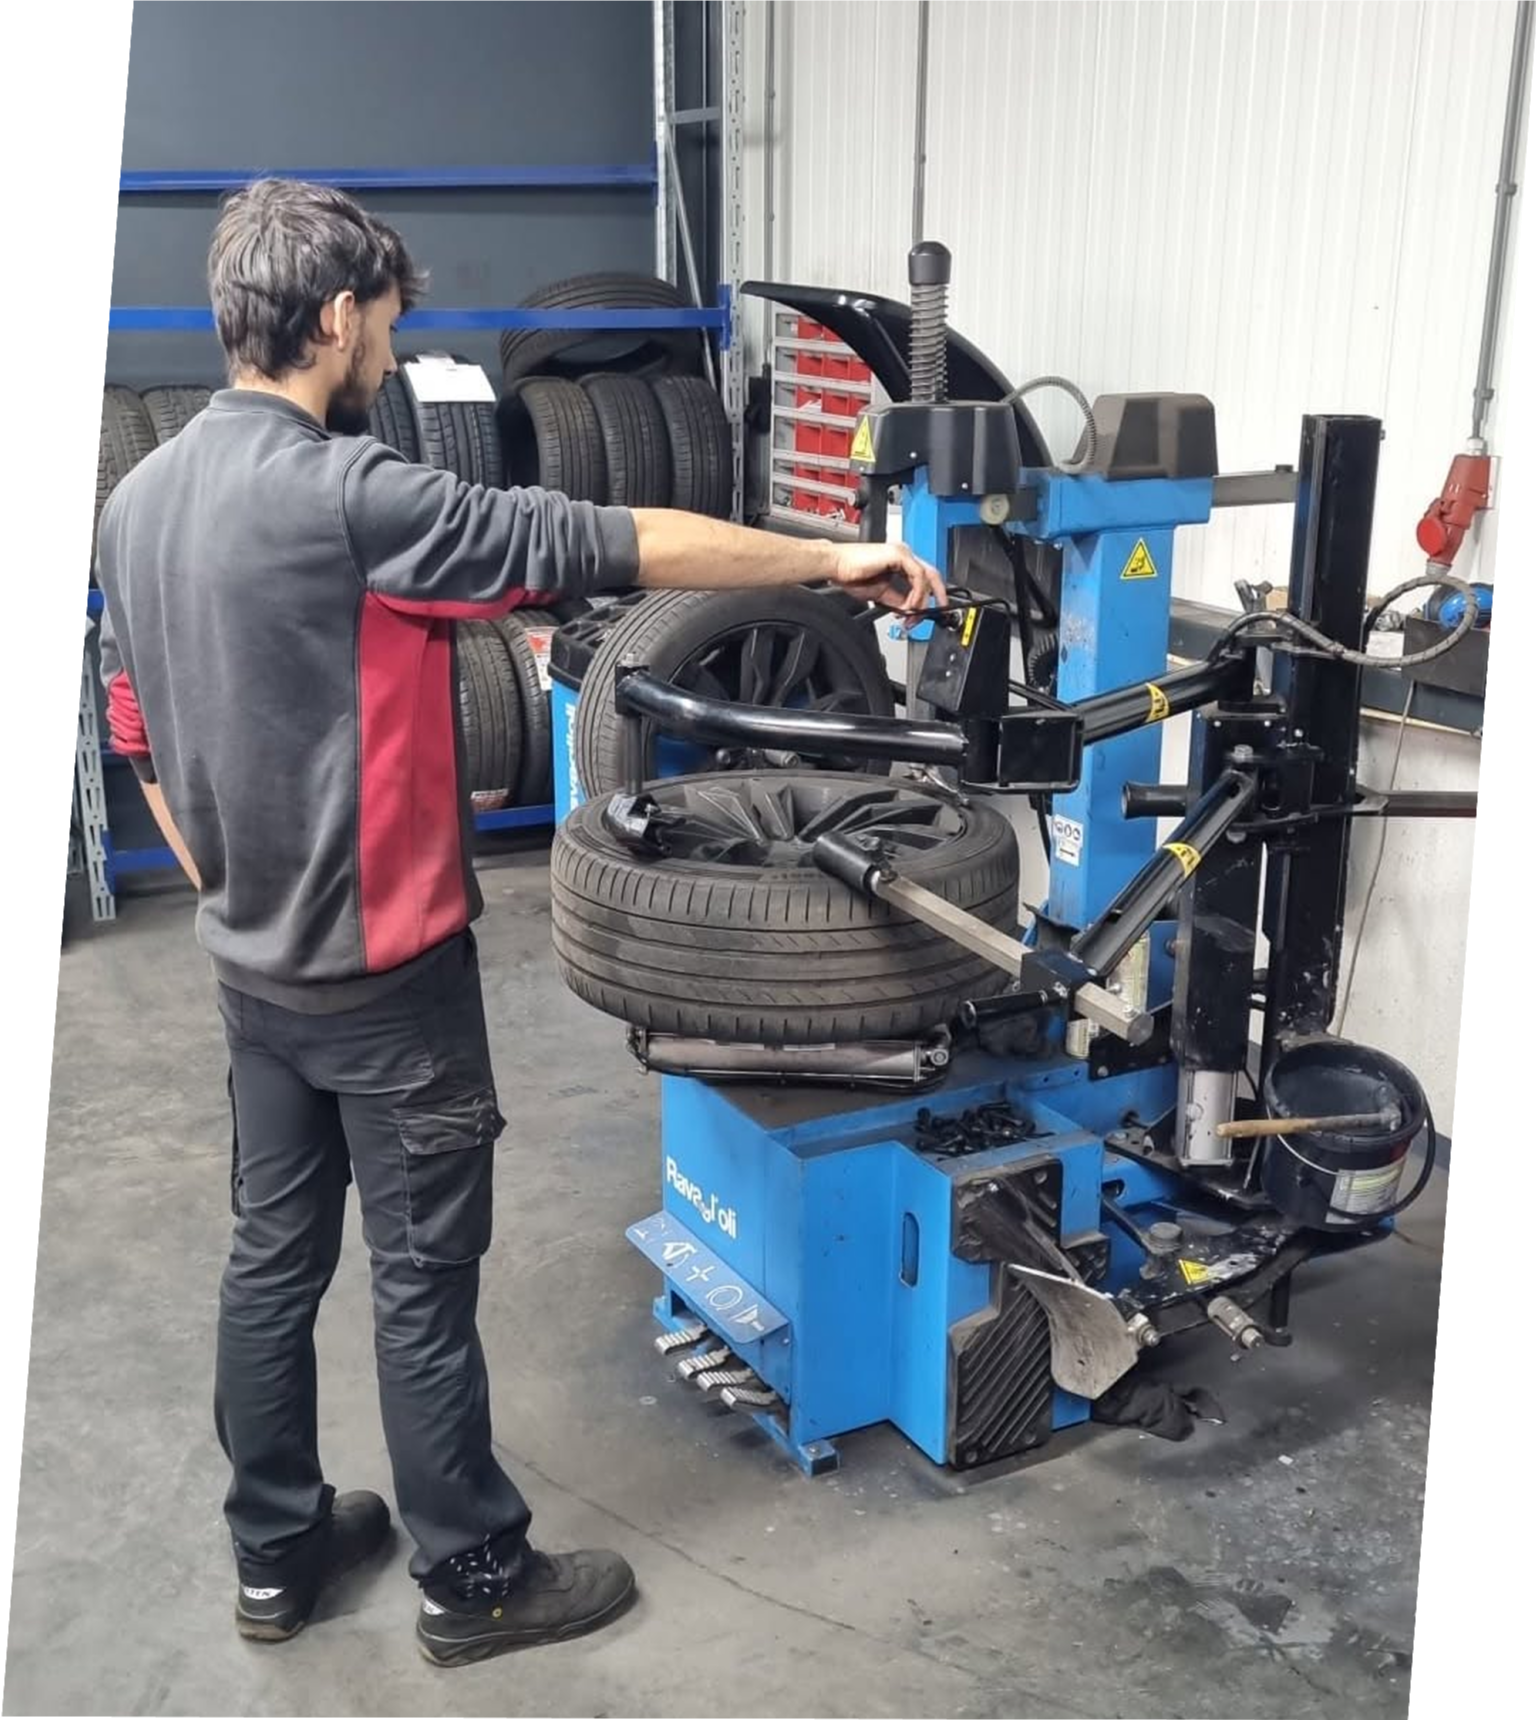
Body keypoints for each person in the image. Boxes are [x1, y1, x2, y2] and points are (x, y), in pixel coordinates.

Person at [93, 177, 946, 1669]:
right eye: (386, 323)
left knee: (270, 1261)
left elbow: (139, 732)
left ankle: (277, 1556)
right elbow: (611, 538)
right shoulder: (354, 497)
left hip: (253, 979)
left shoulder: (136, 501)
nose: (388, 349)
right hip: (389, 980)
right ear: (338, 317)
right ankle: (475, 1579)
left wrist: (229, 890)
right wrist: (827, 560)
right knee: (422, 1284)